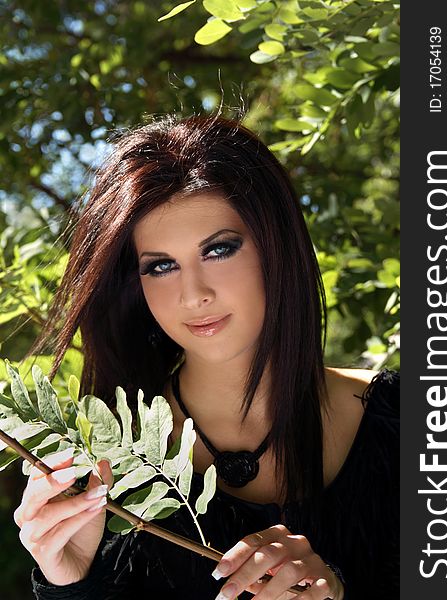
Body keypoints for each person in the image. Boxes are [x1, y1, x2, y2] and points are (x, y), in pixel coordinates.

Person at [13, 114, 399, 600]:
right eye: (161, 266)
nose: (193, 294)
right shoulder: (105, 467)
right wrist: (70, 583)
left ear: (275, 247)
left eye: (218, 250)